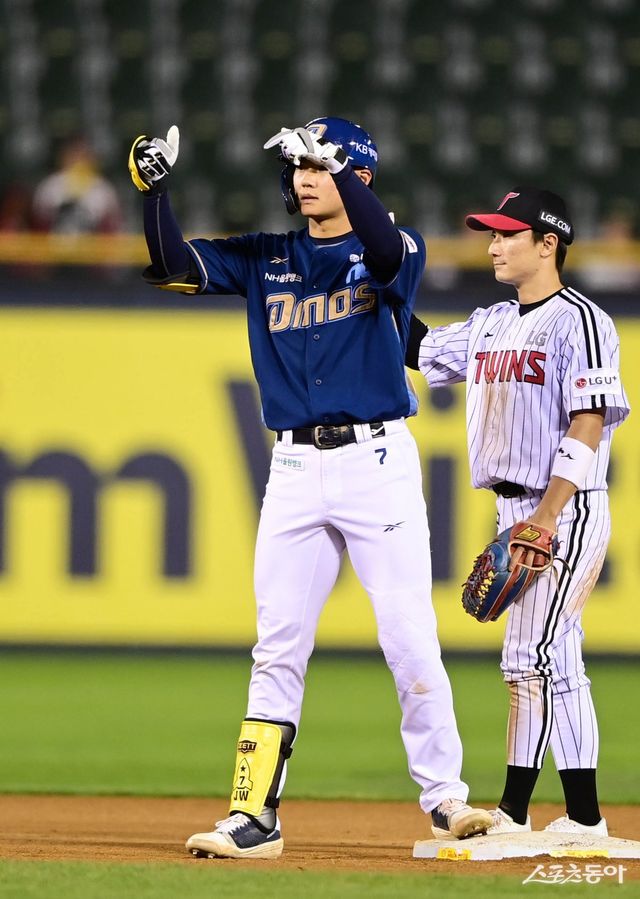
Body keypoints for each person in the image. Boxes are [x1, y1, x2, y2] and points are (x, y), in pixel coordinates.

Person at [128, 118, 492, 858]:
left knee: (407, 635)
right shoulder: (268, 255)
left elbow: (385, 254)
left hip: (376, 461)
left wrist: (346, 176)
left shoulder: (396, 244)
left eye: (320, 165)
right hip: (294, 467)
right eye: (298, 164)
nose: (304, 175)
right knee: (277, 646)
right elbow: (174, 265)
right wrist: (153, 192)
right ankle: (253, 814)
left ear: (357, 176)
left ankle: (446, 798)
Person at [405, 187, 630, 837]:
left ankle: (559, 815)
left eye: (507, 234)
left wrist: (547, 516)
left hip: (566, 506)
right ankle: (542, 813)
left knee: (540, 654)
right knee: (539, 660)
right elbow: (418, 349)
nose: (493, 245)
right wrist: (374, 280)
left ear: (548, 243)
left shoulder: (582, 320)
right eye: (491, 234)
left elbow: (589, 421)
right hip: (515, 509)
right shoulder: (492, 322)